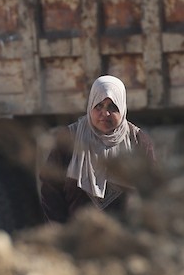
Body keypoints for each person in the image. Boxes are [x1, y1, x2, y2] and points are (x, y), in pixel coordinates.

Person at [39, 75, 155, 223]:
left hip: (125, 237)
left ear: (122, 107)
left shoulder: (138, 141)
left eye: (112, 107)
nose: (105, 114)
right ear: (91, 104)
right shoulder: (69, 139)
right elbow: (50, 190)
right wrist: (64, 232)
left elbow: (151, 190)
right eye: (99, 105)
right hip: (79, 237)